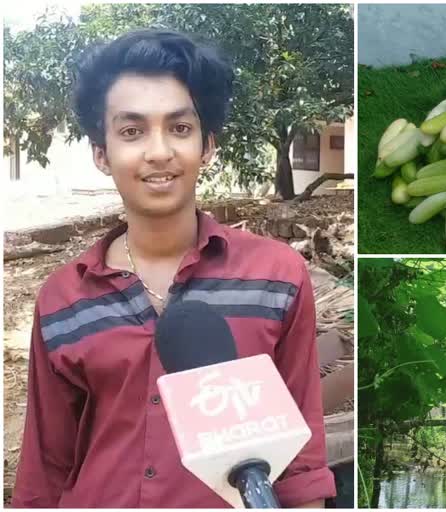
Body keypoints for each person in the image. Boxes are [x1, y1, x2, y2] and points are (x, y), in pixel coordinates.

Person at [11, 29, 334, 508]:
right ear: (101, 154)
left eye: (179, 128)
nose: (158, 151)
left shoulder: (277, 277)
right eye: (131, 131)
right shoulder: (63, 300)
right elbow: (46, 468)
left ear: (208, 146)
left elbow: (302, 458)